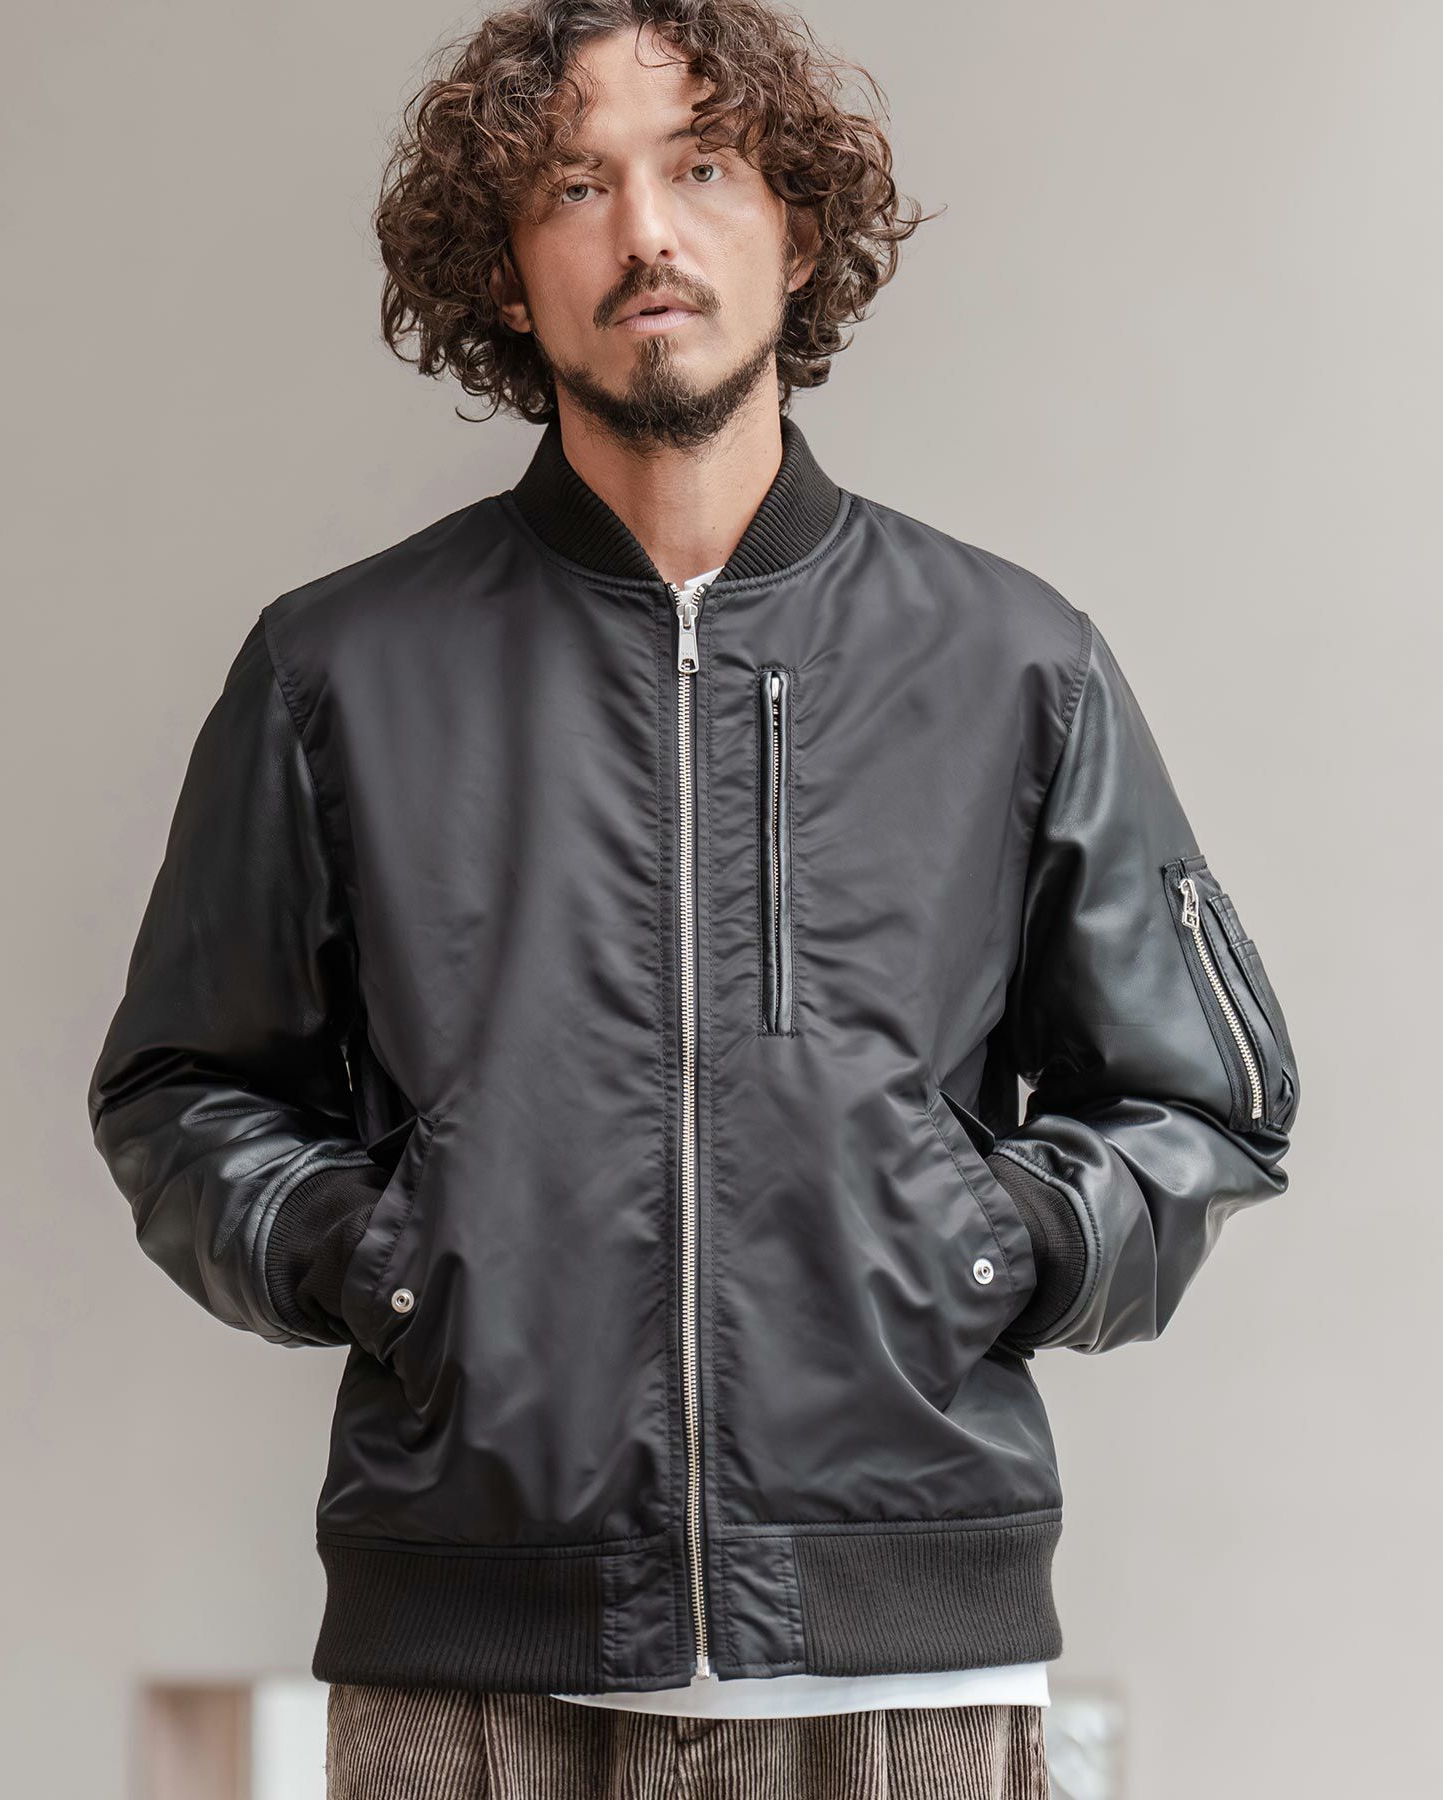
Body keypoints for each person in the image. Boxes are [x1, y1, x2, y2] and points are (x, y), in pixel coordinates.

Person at [86, 3, 1301, 1796]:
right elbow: (180, 1090)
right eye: (575, 186)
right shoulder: (336, 671)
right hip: (469, 1661)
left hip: (909, 1667)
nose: (645, 231)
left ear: (796, 232)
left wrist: (995, 1243)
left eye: (705, 167)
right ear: (507, 279)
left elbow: (1206, 1103)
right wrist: (380, 1260)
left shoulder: (1015, 664)